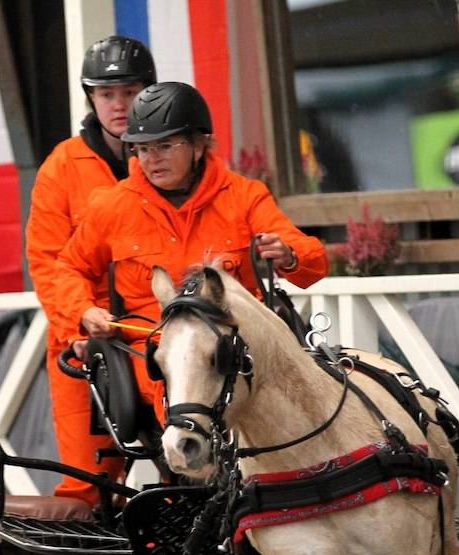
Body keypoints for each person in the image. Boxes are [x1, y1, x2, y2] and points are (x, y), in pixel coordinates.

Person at [45, 81, 329, 505]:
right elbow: (67, 268)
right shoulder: (112, 206)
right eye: (142, 149)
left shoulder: (245, 196)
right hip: (153, 348)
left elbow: (313, 263)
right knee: (185, 383)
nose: (152, 159)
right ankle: (207, 490)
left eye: (165, 146)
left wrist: (288, 255)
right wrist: (83, 312)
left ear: (198, 145)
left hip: (238, 345)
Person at [25, 35, 155, 506]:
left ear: (149, 91)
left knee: (194, 470)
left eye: (130, 92)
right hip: (84, 340)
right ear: (91, 98)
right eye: (106, 94)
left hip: (154, 336)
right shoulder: (62, 166)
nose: (118, 105)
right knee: (87, 486)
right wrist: (76, 327)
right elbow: (46, 262)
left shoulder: (166, 158)